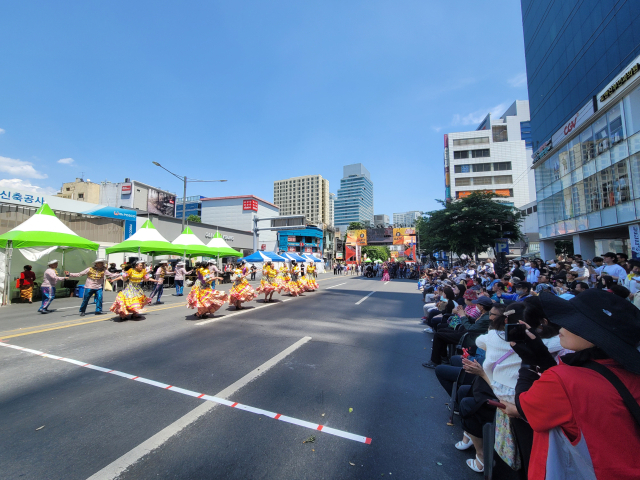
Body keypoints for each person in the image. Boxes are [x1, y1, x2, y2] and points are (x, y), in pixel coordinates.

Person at [501, 290, 640, 480]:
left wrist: (528, 362)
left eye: (573, 322)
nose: (562, 326)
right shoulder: (627, 372)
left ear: (594, 334)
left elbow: (525, 406)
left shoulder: (563, 380)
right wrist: (541, 354)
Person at [422, 296, 493, 369]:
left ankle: (435, 361)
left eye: (477, 304)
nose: (476, 306)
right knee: (441, 331)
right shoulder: (485, 315)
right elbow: (476, 325)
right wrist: (468, 317)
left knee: (438, 335)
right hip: (467, 333)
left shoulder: (486, 318)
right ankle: (443, 357)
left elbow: (470, 328)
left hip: (468, 337)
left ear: (481, 307)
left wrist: (463, 316)